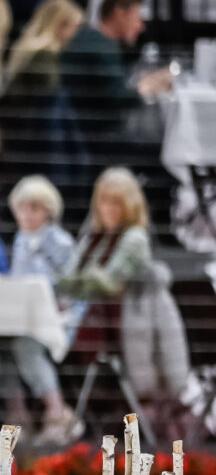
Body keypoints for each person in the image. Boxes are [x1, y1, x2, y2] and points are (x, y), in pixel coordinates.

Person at [54, 167, 194, 435]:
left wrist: (86, 278)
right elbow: (67, 282)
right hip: (92, 321)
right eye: (104, 200)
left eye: (116, 202)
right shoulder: (94, 238)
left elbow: (109, 282)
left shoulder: (134, 238)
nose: (108, 208)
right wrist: (85, 279)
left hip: (125, 326)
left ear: (129, 205)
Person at [2, 175, 84, 445]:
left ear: (48, 211)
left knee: (25, 344)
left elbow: (71, 288)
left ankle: (57, 412)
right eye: (21, 208)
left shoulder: (60, 241)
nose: (26, 215)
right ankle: (18, 416)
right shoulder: (21, 240)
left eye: (34, 208)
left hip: (60, 318)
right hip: (24, 316)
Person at [59, 0, 167, 191]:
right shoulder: (101, 47)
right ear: (119, 14)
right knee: (166, 153)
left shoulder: (90, 38)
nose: (141, 26)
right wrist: (146, 89)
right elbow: (117, 97)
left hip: (85, 134)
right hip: (98, 138)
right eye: (137, 18)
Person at [0, 0, 86, 207]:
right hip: (39, 144)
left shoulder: (26, 49)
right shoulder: (45, 56)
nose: (75, 35)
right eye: (74, 27)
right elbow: (51, 104)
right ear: (60, 25)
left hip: (23, 141)